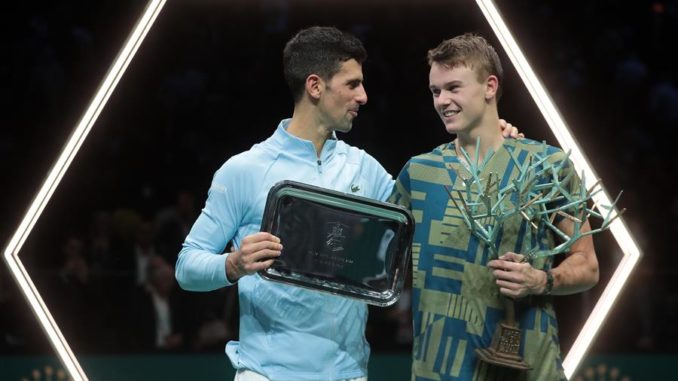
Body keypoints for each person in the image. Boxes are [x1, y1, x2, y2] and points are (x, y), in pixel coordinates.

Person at [175, 26, 521, 381]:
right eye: (352, 84)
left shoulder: (365, 169)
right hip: (267, 374)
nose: (364, 96)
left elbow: (433, 213)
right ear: (315, 86)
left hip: (349, 374)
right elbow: (187, 267)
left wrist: (490, 137)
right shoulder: (243, 171)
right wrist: (233, 264)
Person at [389, 33, 599, 380]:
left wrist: (541, 279)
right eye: (435, 91)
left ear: (489, 86)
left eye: (454, 87)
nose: (442, 100)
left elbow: (588, 265)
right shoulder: (419, 173)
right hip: (439, 371)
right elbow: (378, 259)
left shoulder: (544, 166)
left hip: (529, 370)